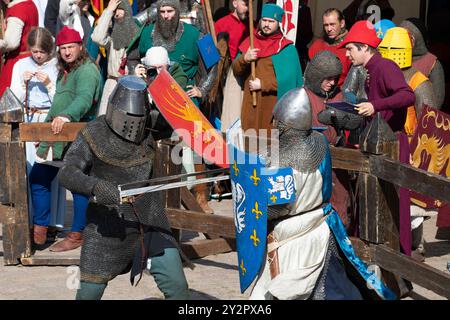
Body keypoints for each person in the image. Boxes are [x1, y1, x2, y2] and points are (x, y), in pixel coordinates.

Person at [58, 75, 190, 300]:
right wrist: (97, 186)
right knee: (88, 295)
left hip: (150, 220)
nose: (135, 124)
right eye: (130, 117)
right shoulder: (93, 133)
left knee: (178, 288)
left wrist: (161, 91)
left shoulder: (151, 125)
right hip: (106, 227)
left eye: (140, 117)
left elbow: (184, 122)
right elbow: (67, 173)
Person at [250, 87, 365, 300]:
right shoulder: (319, 143)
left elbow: (276, 208)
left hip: (293, 237)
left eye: (277, 121)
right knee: (335, 288)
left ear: (283, 125)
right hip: (321, 225)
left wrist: (252, 204)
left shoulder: (281, 162)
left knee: (282, 292)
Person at [339, 20, 416, 257]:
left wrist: (375, 105)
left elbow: (407, 95)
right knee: (376, 200)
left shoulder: (385, 66)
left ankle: (400, 260)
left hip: (392, 143)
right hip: (379, 143)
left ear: (364, 47)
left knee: (395, 202)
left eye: (351, 48)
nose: (348, 54)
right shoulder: (371, 70)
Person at [137, 0, 217, 214]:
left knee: (195, 145)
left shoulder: (195, 34)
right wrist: (135, 71)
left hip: (185, 98)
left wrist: (202, 89)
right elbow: (133, 58)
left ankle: (200, 195)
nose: (166, 15)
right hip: (153, 98)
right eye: (162, 11)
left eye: (170, 10)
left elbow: (213, 65)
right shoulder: (146, 33)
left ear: (178, 12)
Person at [30, 26, 102, 252]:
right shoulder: (65, 71)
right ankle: (40, 228)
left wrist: (66, 115)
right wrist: (42, 132)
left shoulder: (88, 70)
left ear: (81, 47)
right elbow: (58, 105)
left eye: (71, 47)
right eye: (63, 48)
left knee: (78, 185)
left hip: (78, 136)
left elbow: (83, 100)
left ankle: (76, 234)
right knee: (39, 178)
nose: (67, 52)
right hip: (57, 136)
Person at [379, 26, 437, 261]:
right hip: (388, 141)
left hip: (412, 144)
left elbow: (429, 120)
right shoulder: (383, 74)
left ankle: (415, 244)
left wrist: (420, 152)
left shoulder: (418, 81)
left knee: (414, 200)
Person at [233, 3, 303, 133]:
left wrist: (263, 84)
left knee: (269, 148)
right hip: (251, 107)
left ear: (278, 23)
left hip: (272, 108)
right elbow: (236, 70)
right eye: (264, 20)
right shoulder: (251, 42)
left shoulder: (287, 49)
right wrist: (245, 59)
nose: (266, 24)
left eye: (271, 21)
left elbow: (291, 82)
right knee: (249, 146)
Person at [91, 0, 141, 115]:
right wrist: (108, 11)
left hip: (131, 84)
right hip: (112, 83)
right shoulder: (112, 40)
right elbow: (97, 37)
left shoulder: (138, 35)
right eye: (115, 11)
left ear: (127, 12)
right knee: (104, 119)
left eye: (120, 10)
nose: (117, 14)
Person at [215, 0, 250, 132]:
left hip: (247, 73)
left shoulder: (251, 25)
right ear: (235, 3)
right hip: (229, 75)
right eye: (245, 4)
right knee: (230, 113)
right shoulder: (221, 24)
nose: (247, 9)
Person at [400, 18, 445, 109]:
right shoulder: (397, 57)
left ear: (413, 39)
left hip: (420, 117)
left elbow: (437, 101)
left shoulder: (433, 64)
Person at [0, 0, 38, 97]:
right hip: (30, 57)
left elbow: (11, 43)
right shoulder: (30, 4)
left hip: (16, 61)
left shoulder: (18, 10)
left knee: (10, 98)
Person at [308, 8, 351, 87]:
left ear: (342, 23)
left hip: (341, 95)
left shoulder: (351, 48)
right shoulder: (316, 46)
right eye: (326, 25)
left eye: (332, 24)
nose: (329, 29)